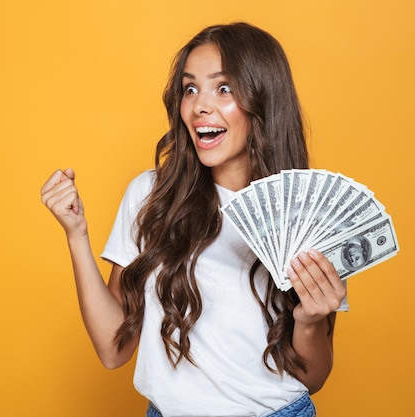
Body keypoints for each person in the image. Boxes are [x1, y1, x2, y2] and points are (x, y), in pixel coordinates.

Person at [41, 22, 348, 417]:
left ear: (263, 98)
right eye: (190, 89)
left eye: (223, 88)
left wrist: (310, 321)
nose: (200, 106)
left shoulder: (308, 217)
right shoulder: (151, 196)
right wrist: (76, 235)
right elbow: (112, 349)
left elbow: (313, 378)